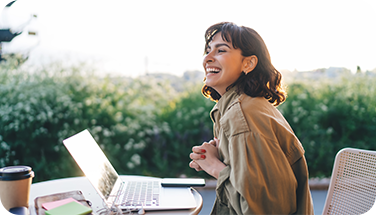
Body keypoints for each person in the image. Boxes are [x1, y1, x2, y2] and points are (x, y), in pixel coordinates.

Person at [189, 22, 314, 215]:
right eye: (208, 50)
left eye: (220, 50)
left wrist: (215, 167)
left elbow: (264, 210)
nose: (208, 58)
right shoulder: (241, 107)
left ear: (248, 63)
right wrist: (219, 155)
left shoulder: (243, 116)